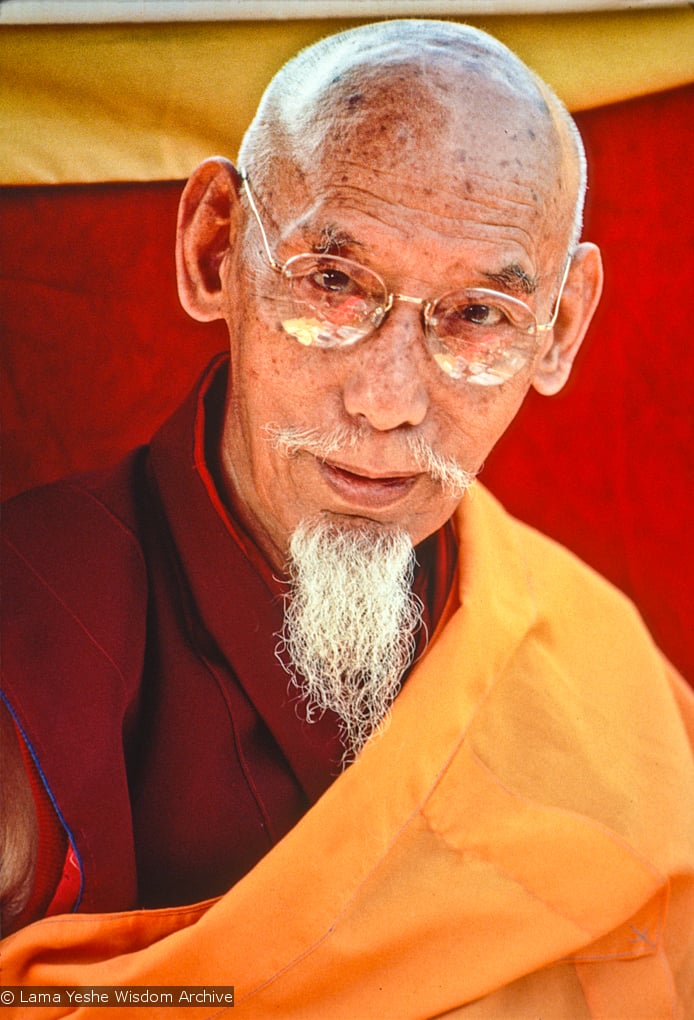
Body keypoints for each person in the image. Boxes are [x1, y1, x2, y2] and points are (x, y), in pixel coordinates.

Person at [1, 18, 692, 1018]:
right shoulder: (37, 634)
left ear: (561, 328)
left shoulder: (577, 645)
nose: (386, 401)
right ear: (213, 250)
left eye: (477, 315)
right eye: (330, 283)